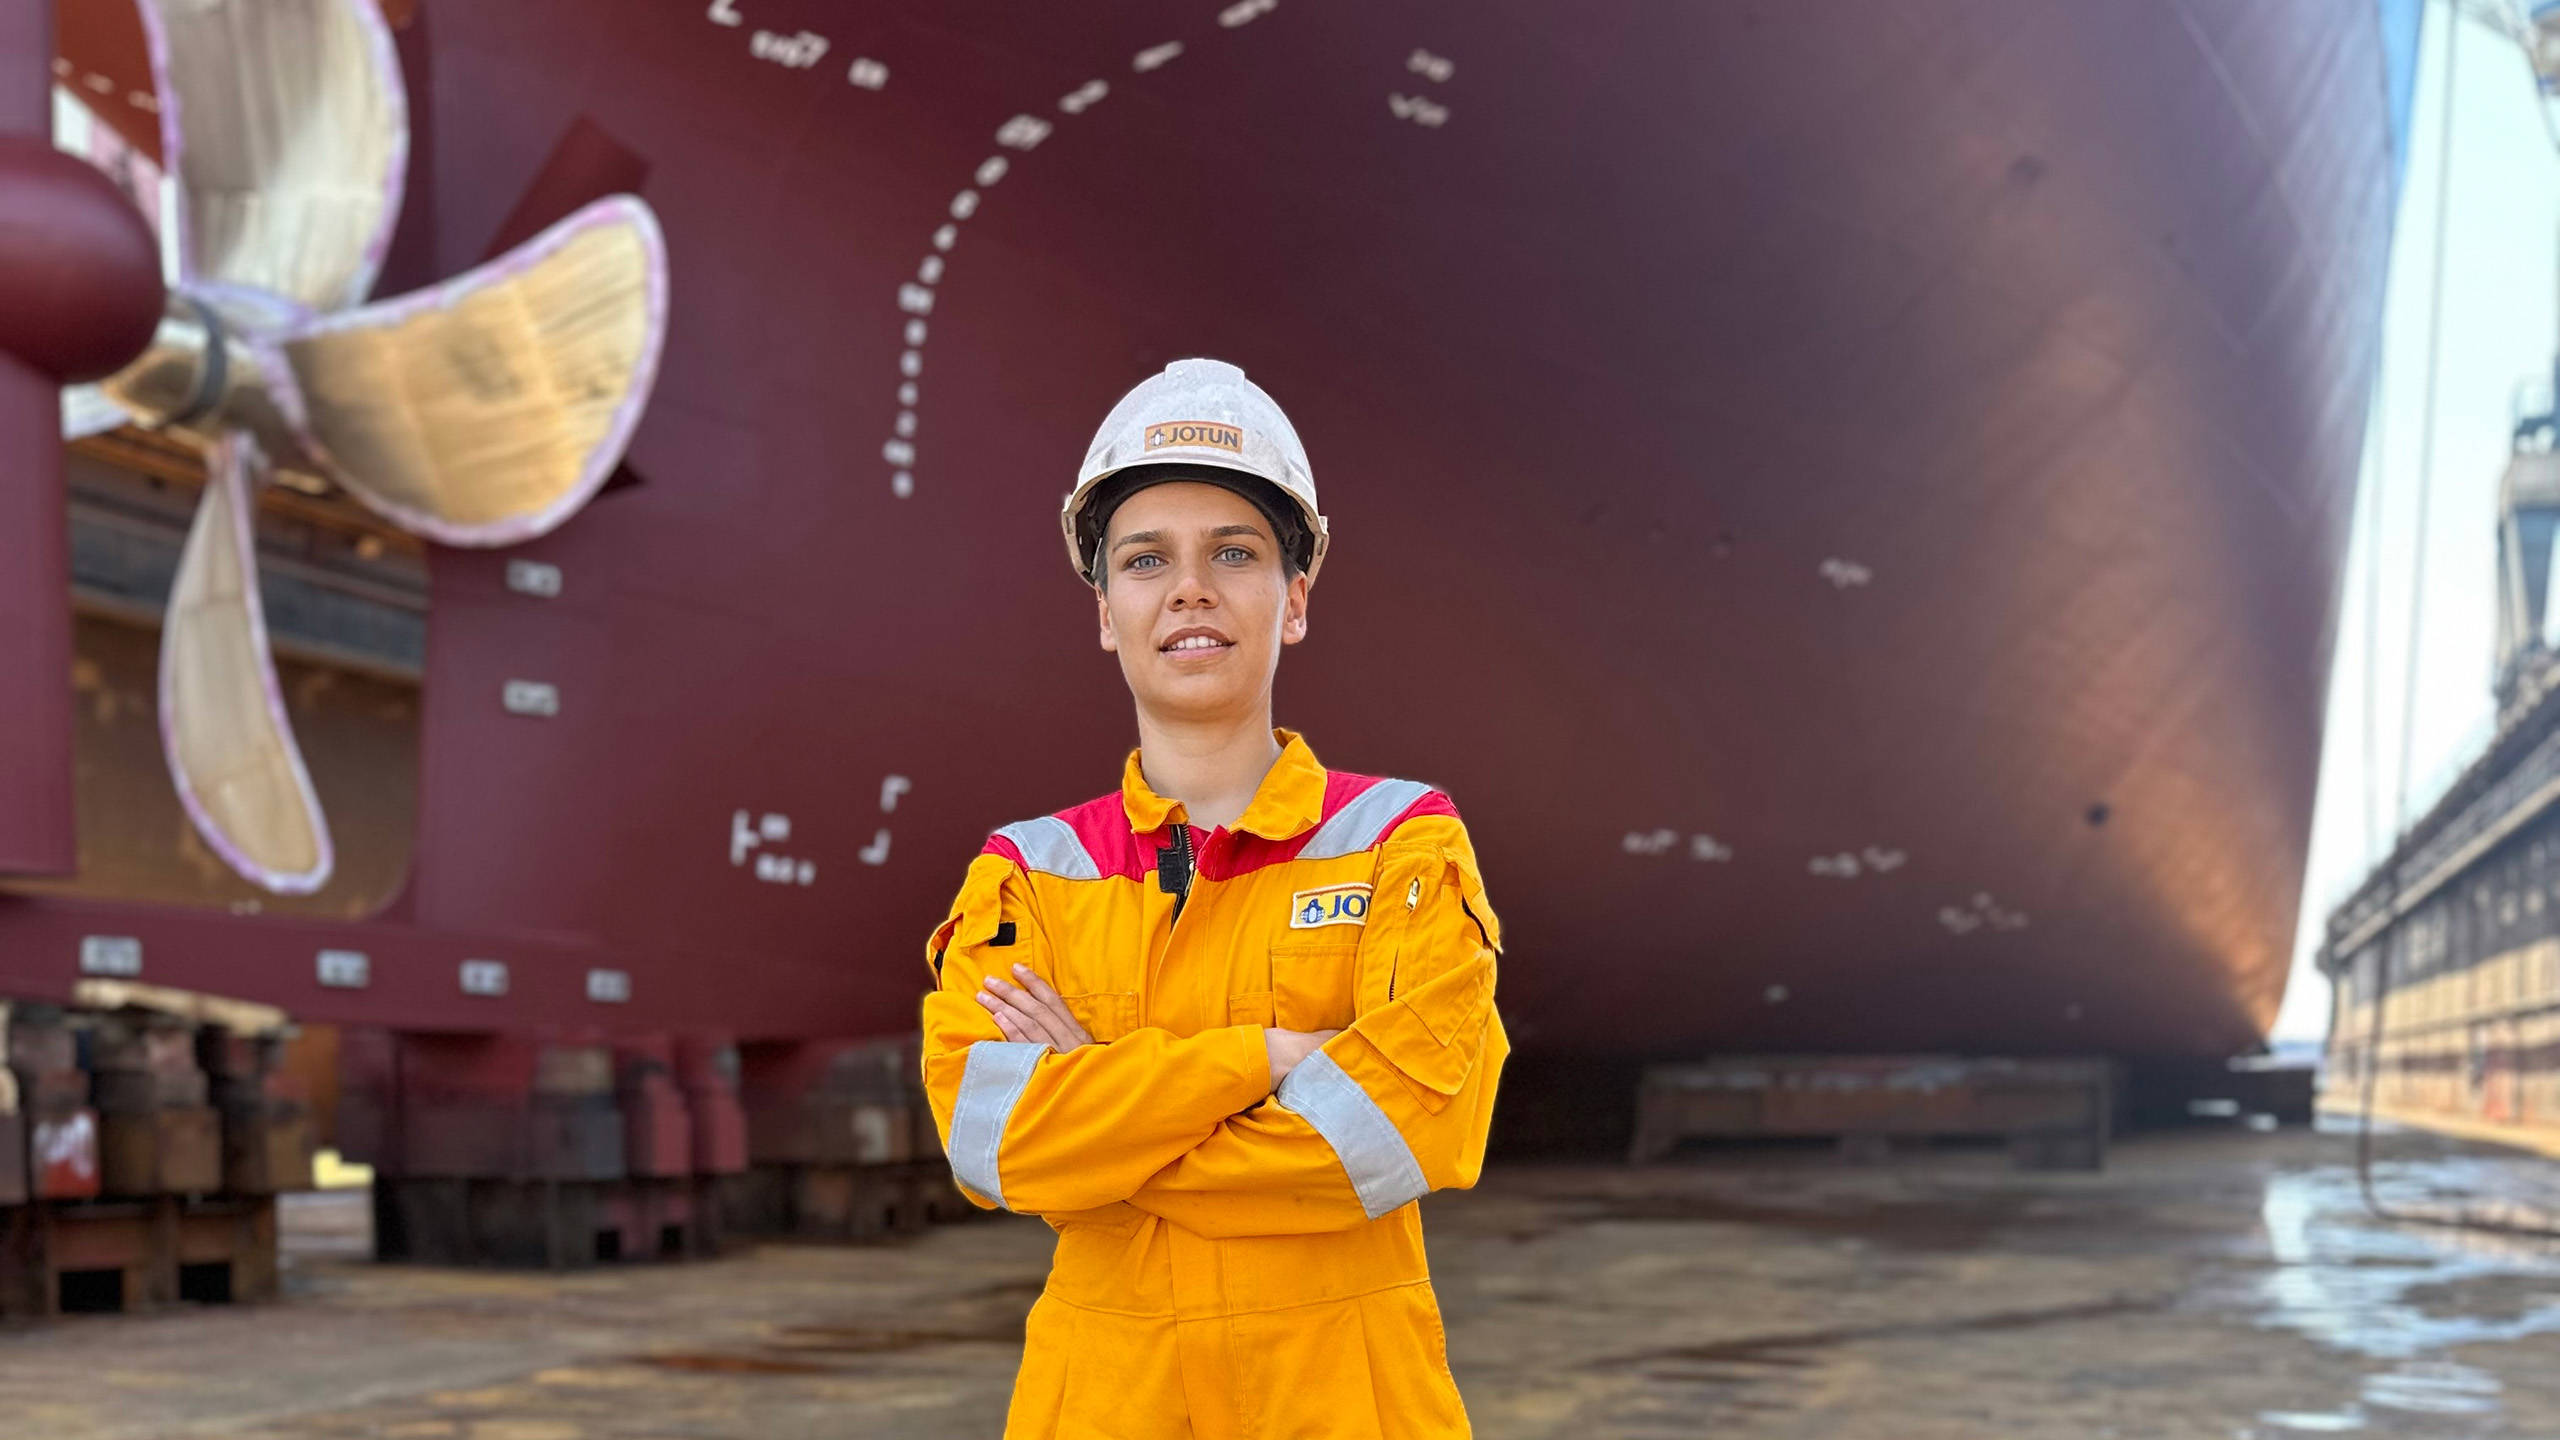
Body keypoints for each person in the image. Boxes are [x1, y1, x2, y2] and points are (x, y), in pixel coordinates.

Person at [919, 358, 1509, 1438]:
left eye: (1232, 553)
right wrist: (1266, 1061)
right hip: (1104, 1402)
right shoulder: (1028, 874)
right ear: (1106, 613)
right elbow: (995, 1145)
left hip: (1341, 1404)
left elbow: (1398, 1136)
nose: (1189, 588)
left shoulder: (1398, 846)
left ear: (1291, 602)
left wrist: (1099, 1111)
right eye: (1147, 560)